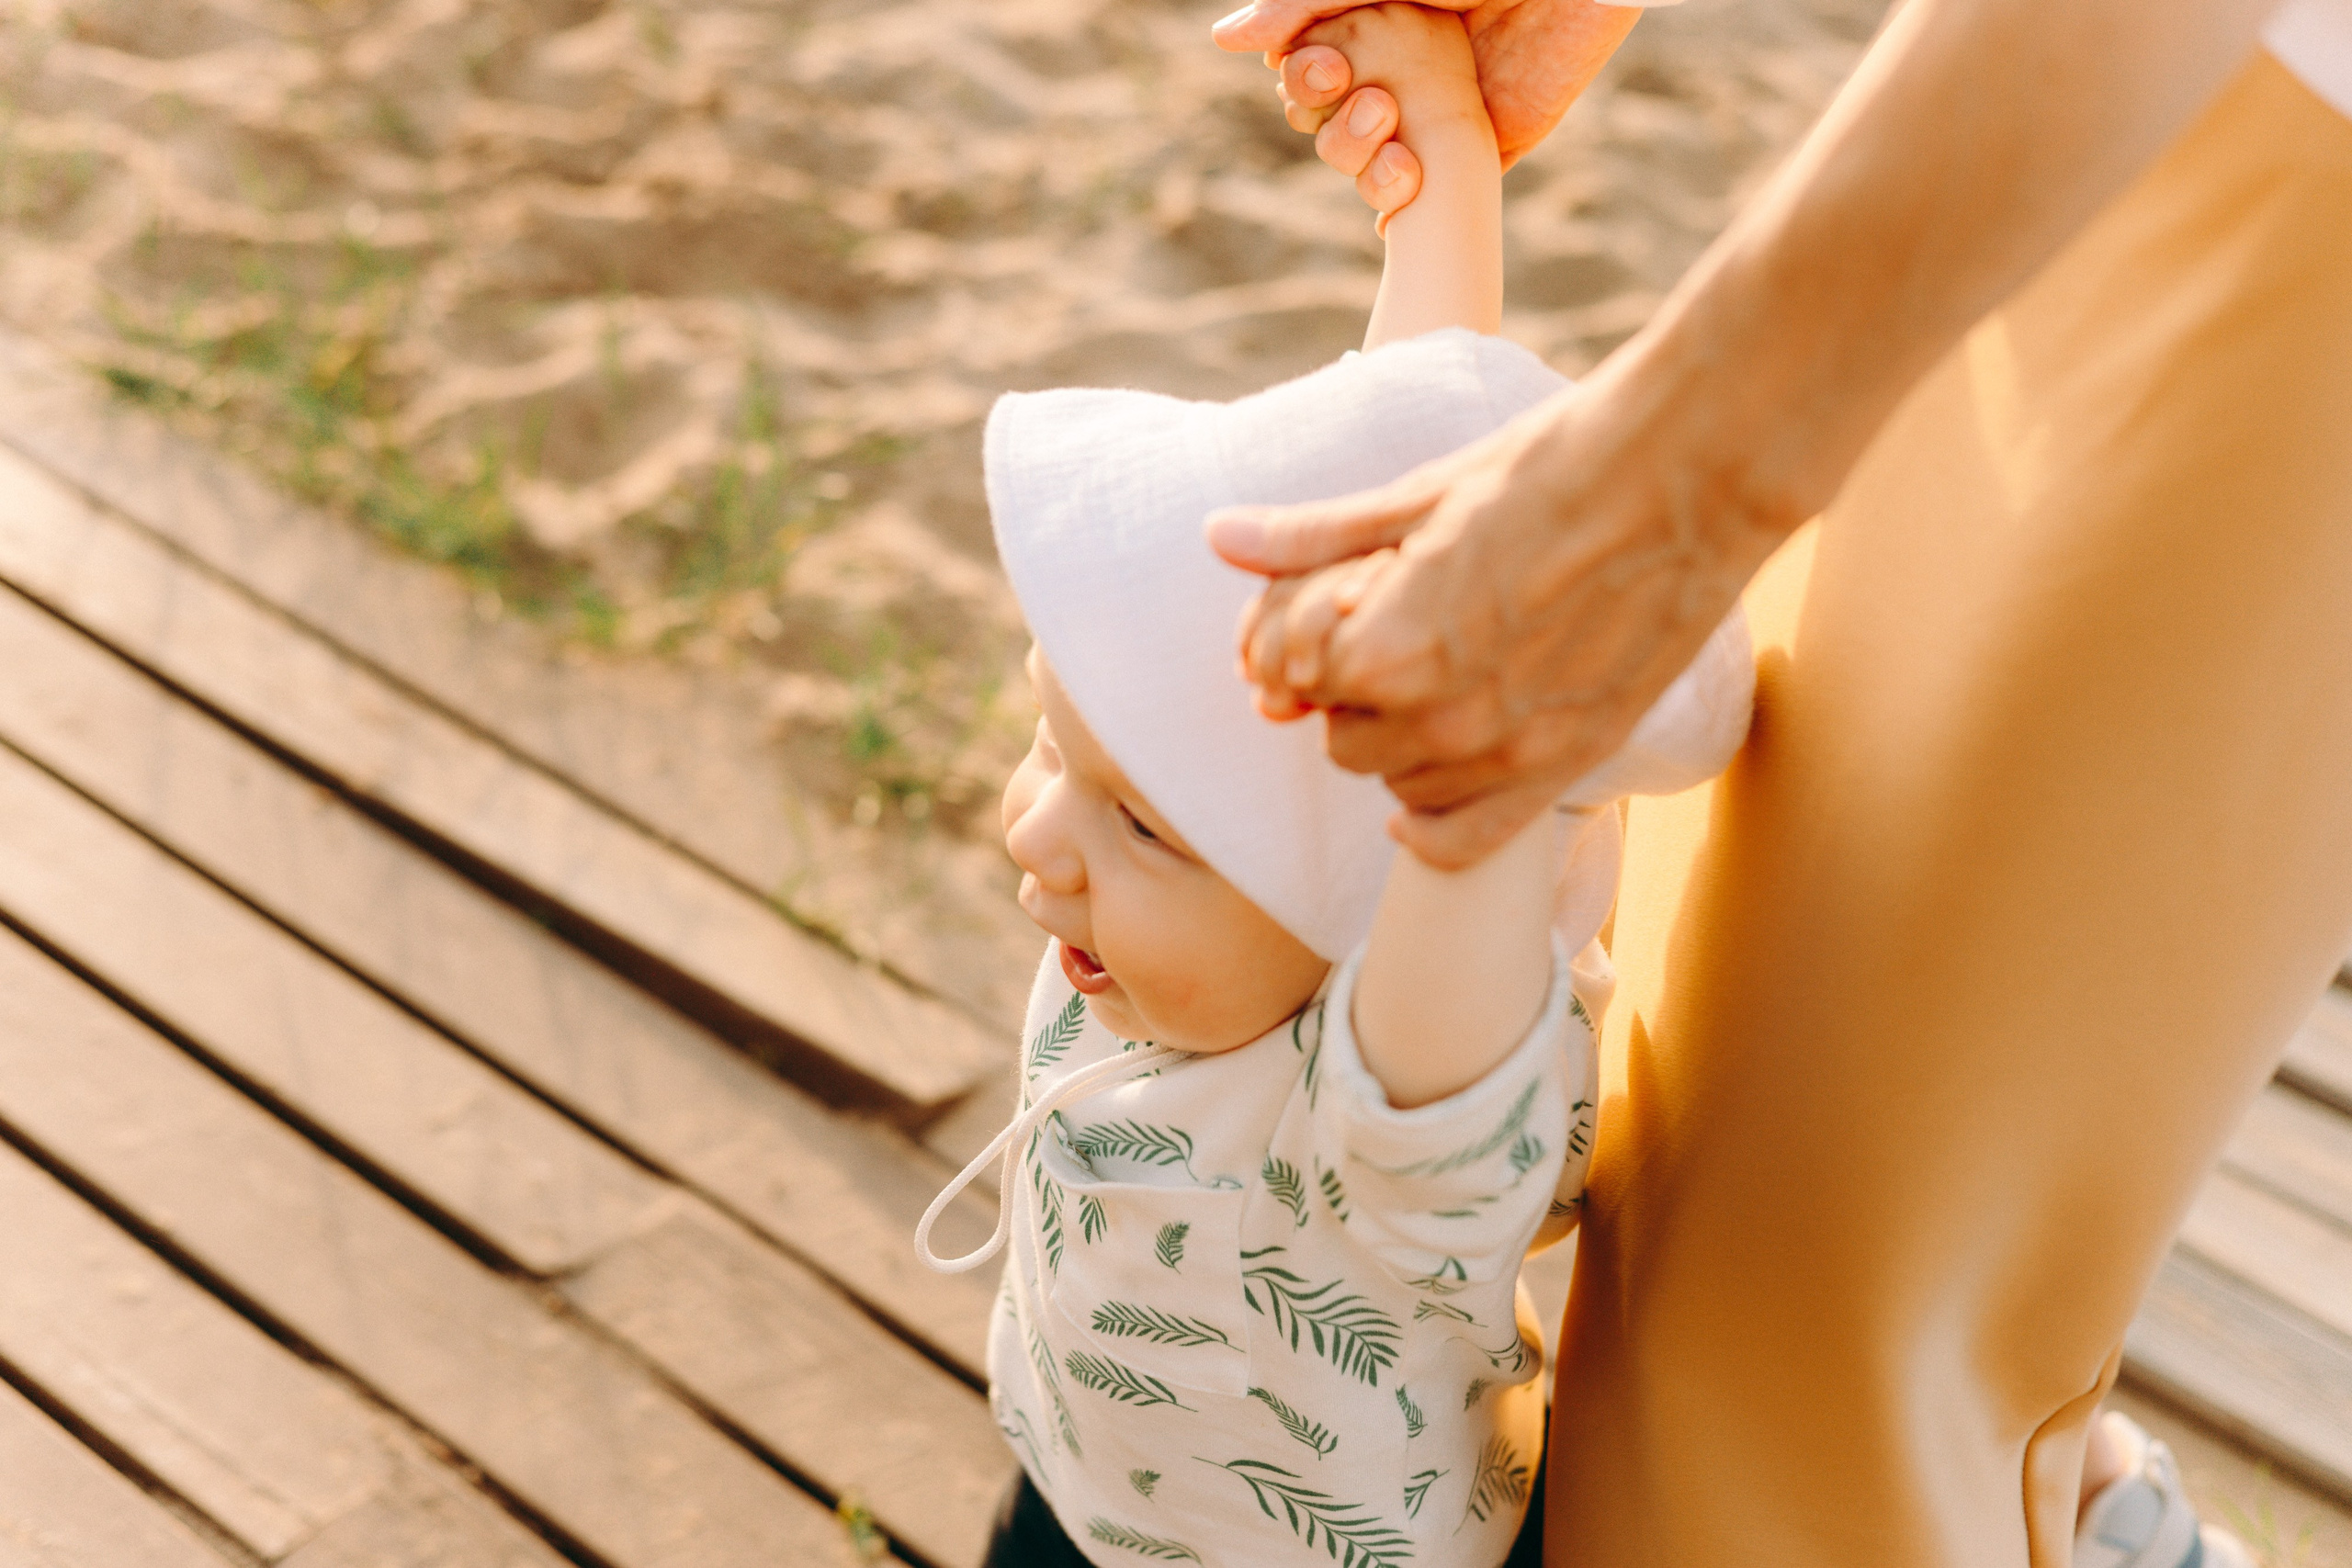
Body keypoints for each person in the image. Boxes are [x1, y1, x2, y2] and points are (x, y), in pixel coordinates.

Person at [1199, 0, 2352, 1564]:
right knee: (1696, 1145)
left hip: (2270, 192)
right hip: (2039, 91)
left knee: (1799, 1320)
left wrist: (1685, 471)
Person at [910, 10, 1754, 1564]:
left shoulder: (1401, 1098)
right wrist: (1443, 182)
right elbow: (1391, 462)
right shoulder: (1215, 942)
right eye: (1053, 744)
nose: (1036, 835)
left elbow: (1451, 840)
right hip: (1088, 1490)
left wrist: (1476, 804)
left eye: (1146, 825)